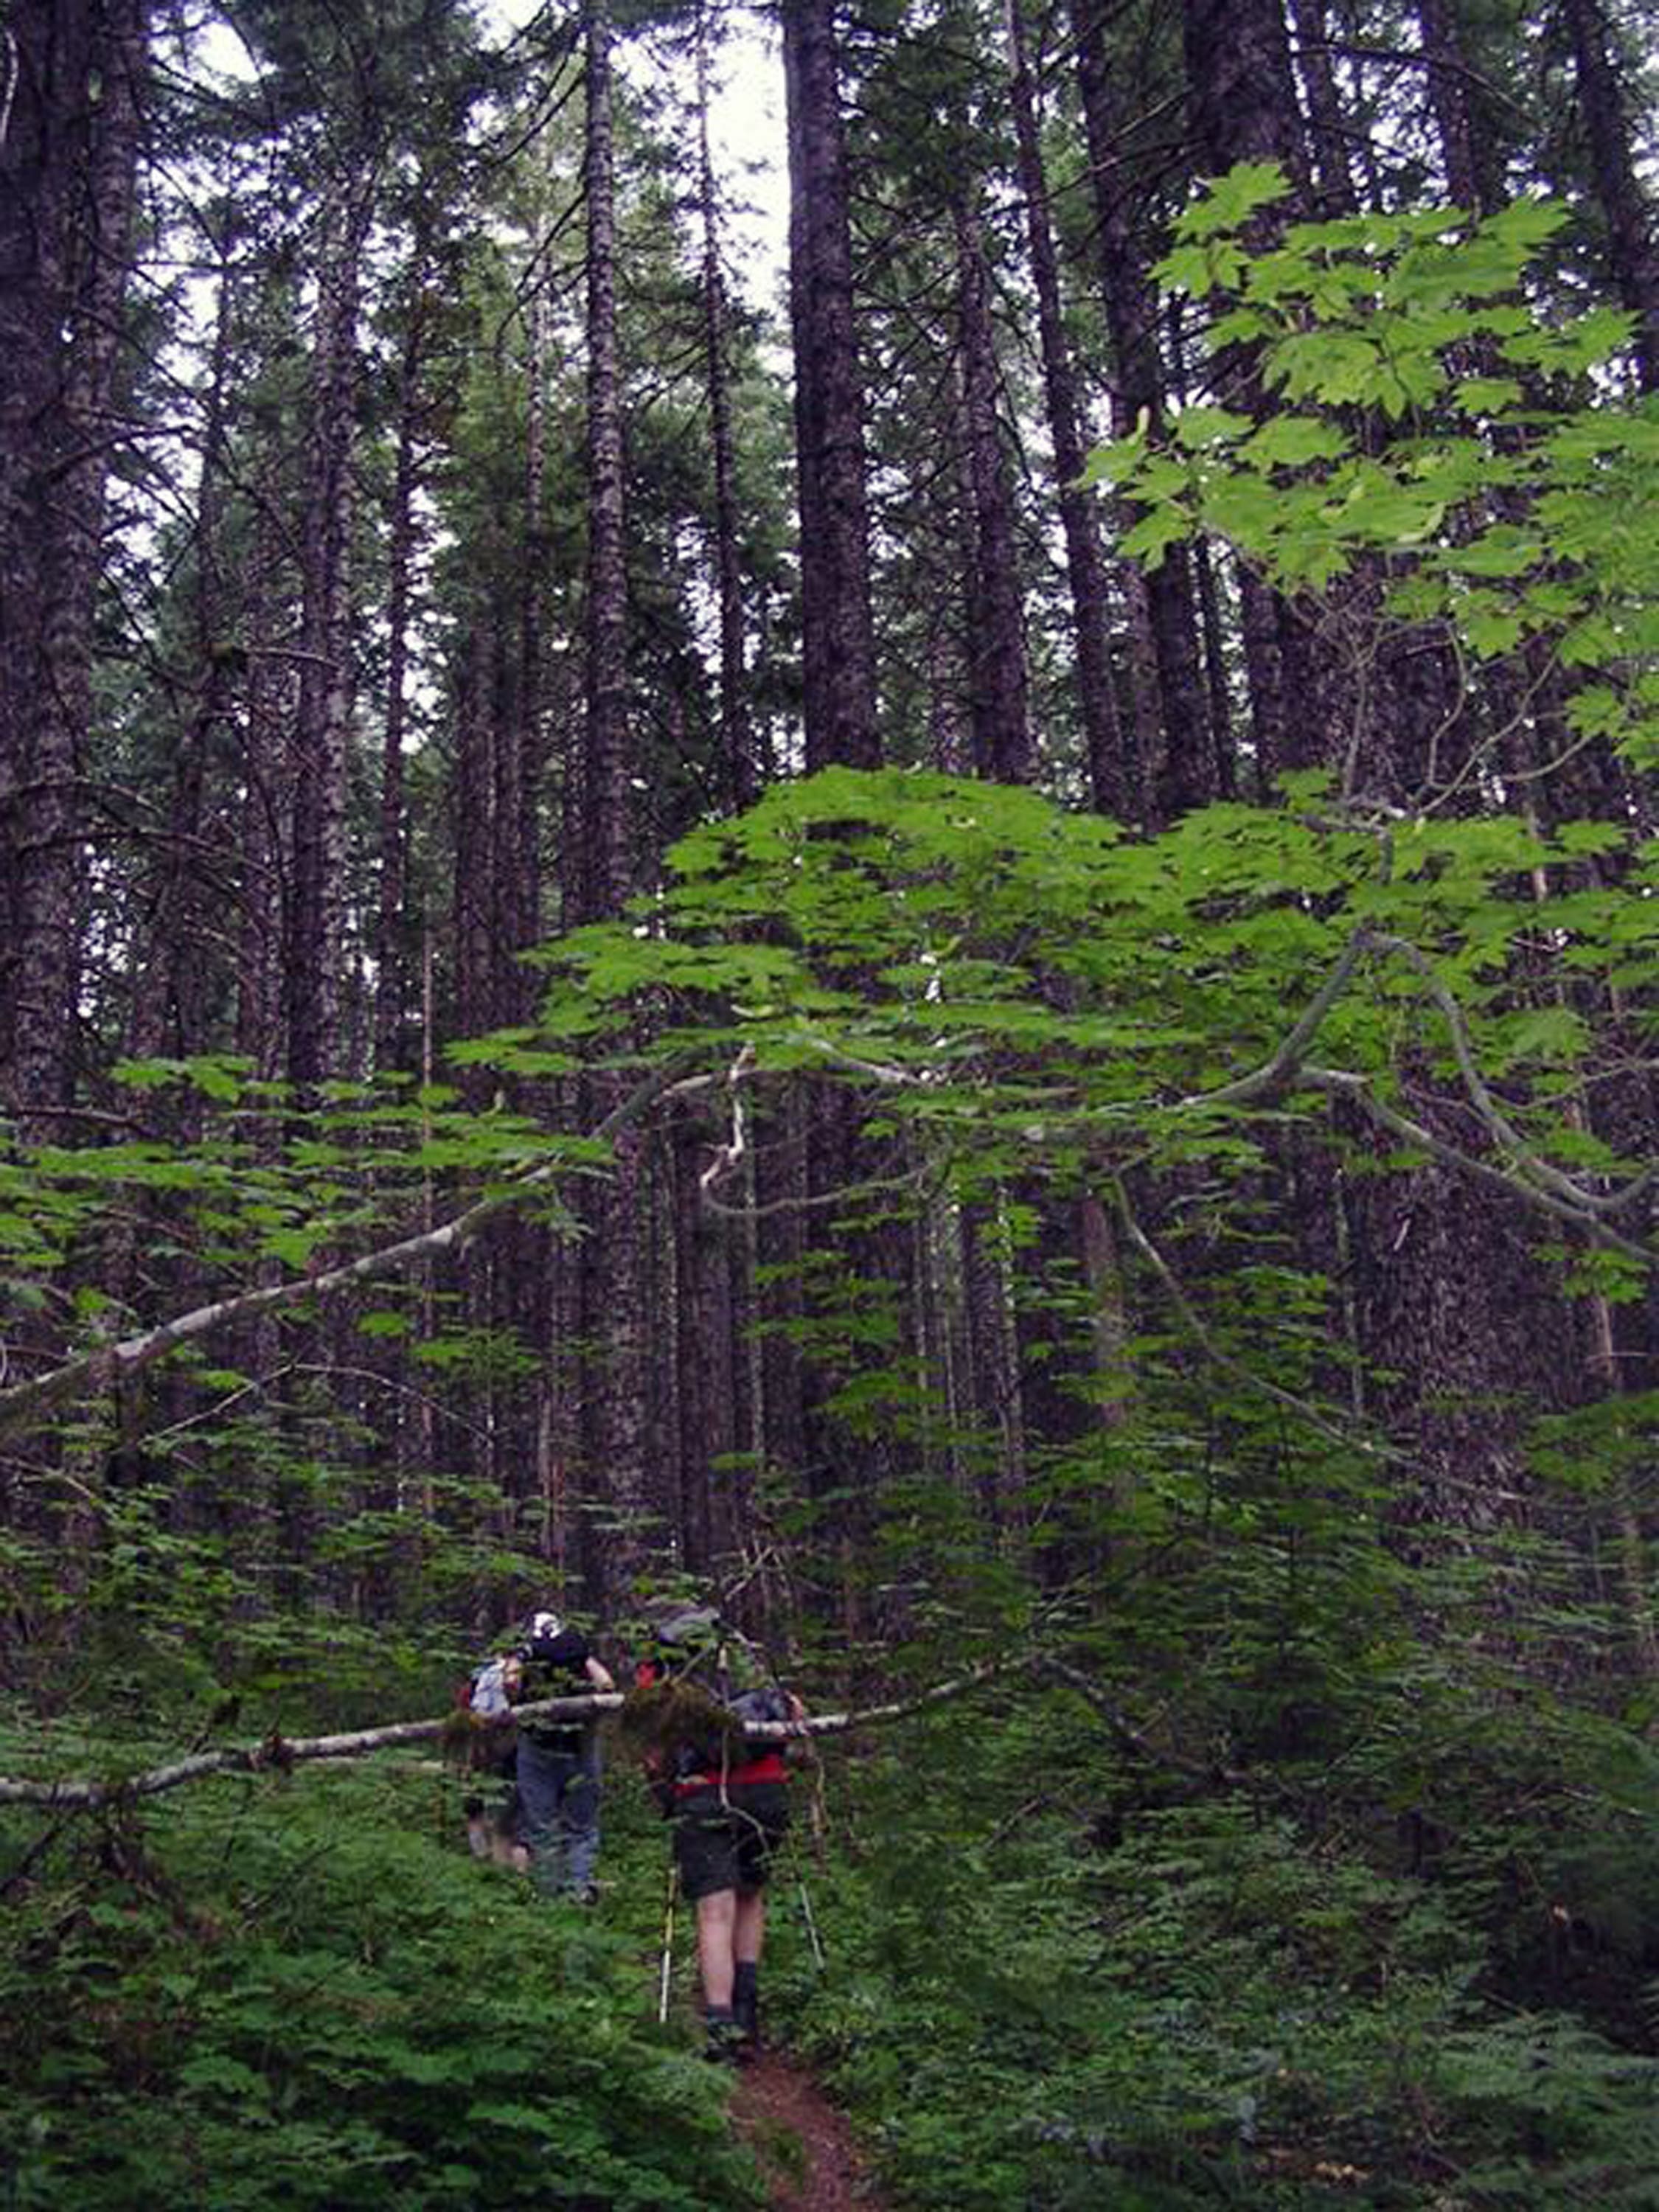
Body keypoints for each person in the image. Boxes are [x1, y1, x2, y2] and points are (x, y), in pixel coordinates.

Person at [633, 1608, 804, 2061]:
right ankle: (748, 2017)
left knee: (714, 1911)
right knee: (750, 1895)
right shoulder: (746, 1658)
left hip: (703, 1792)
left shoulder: (663, 1671)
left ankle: (721, 2028)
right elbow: (794, 1712)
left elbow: (653, 1752)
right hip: (766, 1791)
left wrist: (666, 1795)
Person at [509, 1609, 615, 1902]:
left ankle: (549, 1896)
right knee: (582, 1827)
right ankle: (578, 1890)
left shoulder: (527, 1653)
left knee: (541, 1826)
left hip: (537, 1747)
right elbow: (606, 1685)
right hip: (581, 1745)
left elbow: (510, 1683)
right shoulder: (577, 1650)